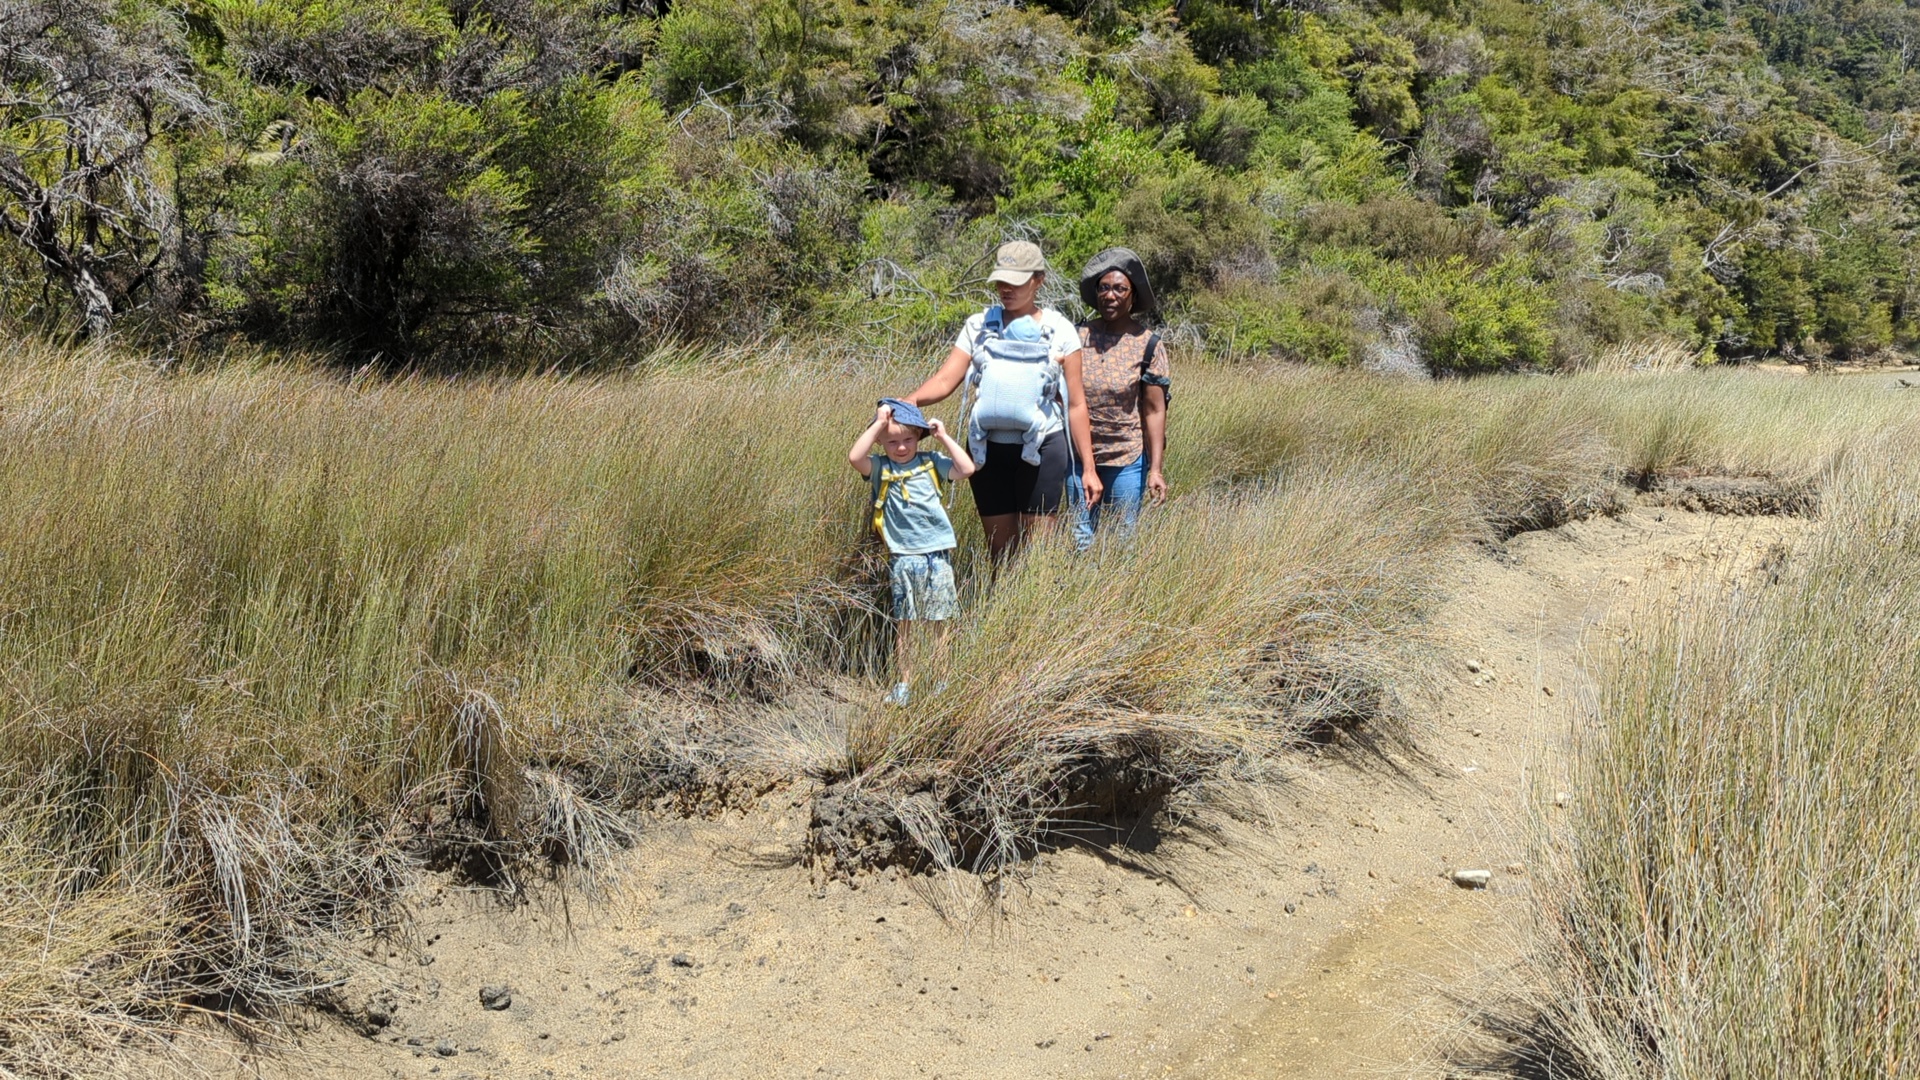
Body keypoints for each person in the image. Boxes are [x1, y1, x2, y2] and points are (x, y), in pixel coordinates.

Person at [902, 241, 1101, 561]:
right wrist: (909, 401)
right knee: (1001, 553)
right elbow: (945, 380)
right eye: (1001, 281)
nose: (1006, 289)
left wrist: (1088, 469)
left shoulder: (1061, 330)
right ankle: (1001, 596)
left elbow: (1076, 404)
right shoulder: (978, 325)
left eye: (1016, 281)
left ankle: (1036, 596)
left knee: (1038, 556)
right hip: (987, 452)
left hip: (1044, 448)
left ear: (1038, 280)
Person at [848, 398, 976, 705]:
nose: (901, 447)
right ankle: (905, 684)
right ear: (881, 442)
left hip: (937, 555)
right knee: (905, 624)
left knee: (938, 622)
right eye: (892, 442)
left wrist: (943, 436)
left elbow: (967, 468)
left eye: (908, 439)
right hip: (903, 556)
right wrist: (879, 423)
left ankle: (941, 681)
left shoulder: (932, 462)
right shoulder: (880, 467)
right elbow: (855, 457)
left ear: (919, 436)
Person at [1072, 247, 1171, 548]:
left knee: (1121, 542)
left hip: (1126, 458)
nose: (1110, 295)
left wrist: (1155, 469)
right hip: (1078, 457)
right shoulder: (1077, 336)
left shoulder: (1148, 345)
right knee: (1081, 539)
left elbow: (1154, 411)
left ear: (1133, 296)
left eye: (1119, 289)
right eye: (1104, 288)